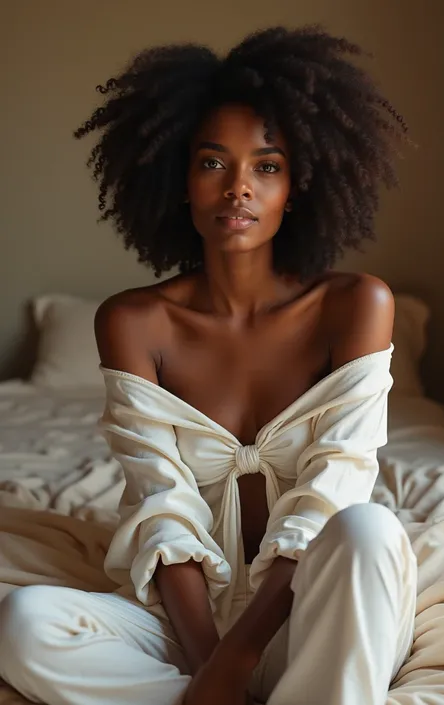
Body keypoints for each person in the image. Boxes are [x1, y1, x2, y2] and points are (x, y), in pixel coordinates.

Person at [0, 25, 417, 705]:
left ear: (301, 182)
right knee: (22, 623)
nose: (239, 188)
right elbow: (164, 510)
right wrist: (212, 669)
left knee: (368, 529)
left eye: (268, 165)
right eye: (213, 162)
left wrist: (242, 654)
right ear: (178, 176)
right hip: (190, 623)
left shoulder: (356, 305)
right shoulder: (134, 322)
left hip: (320, 608)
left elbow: (333, 488)